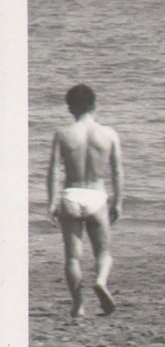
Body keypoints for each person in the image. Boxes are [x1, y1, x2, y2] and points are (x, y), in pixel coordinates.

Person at [46, 83, 124, 318]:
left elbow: (53, 171)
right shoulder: (109, 134)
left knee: (72, 256)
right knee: (103, 252)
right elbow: (117, 171)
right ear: (94, 104)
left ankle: (78, 305)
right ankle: (100, 281)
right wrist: (118, 201)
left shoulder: (63, 134)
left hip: (71, 195)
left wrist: (51, 202)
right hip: (97, 196)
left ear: (70, 108)